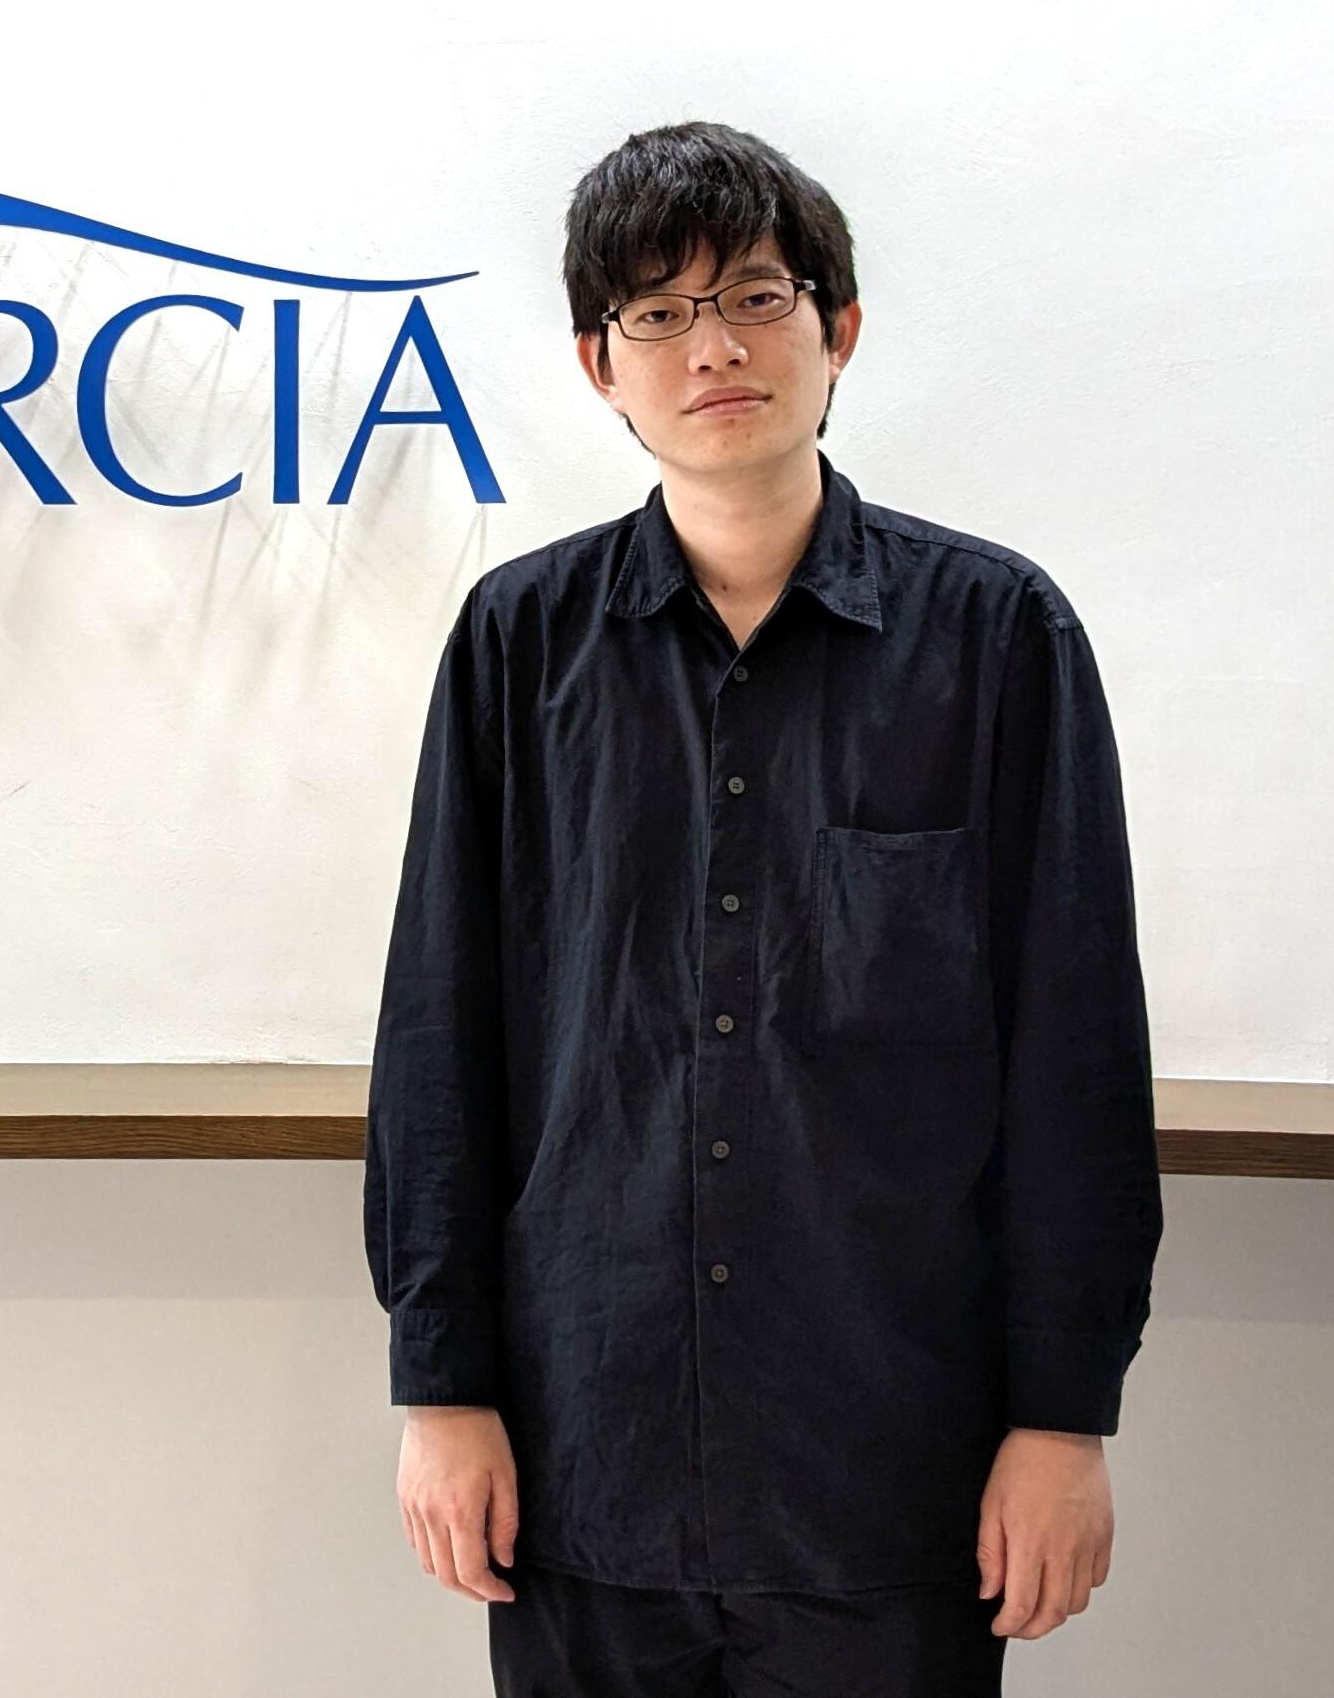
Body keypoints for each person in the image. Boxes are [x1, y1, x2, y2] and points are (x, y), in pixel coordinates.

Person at [363, 121, 1165, 1696]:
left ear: (837, 326)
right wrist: (439, 1388)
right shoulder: (520, 646)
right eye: (658, 313)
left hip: (892, 1462)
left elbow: (1076, 1050)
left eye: (754, 295)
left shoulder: (999, 638)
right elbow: (440, 1033)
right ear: (600, 364)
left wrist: (1062, 1415)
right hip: (587, 1452)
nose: (713, 347)